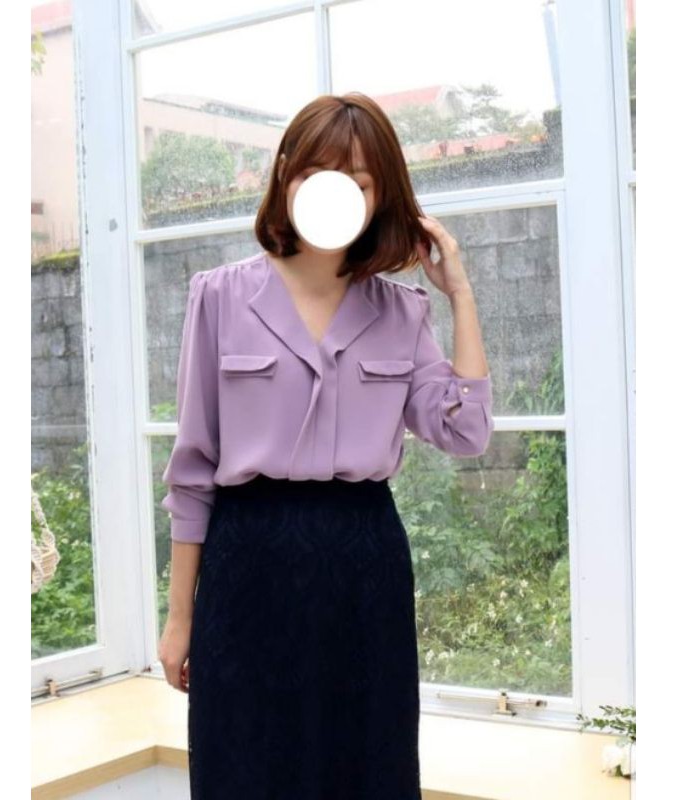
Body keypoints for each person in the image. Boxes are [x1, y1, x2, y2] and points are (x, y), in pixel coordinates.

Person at [158, 92, 493, 800]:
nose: (336, 195)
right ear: (286, 173)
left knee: (365, 769)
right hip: (246, 564)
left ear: (381, 196)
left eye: (359, 182)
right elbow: (192, 472)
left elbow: (465, 431)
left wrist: (459, 293)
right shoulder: (218, 297)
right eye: (316, 174)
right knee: (243, 768)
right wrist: (180, 617)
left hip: (363, 568)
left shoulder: (402, 312)